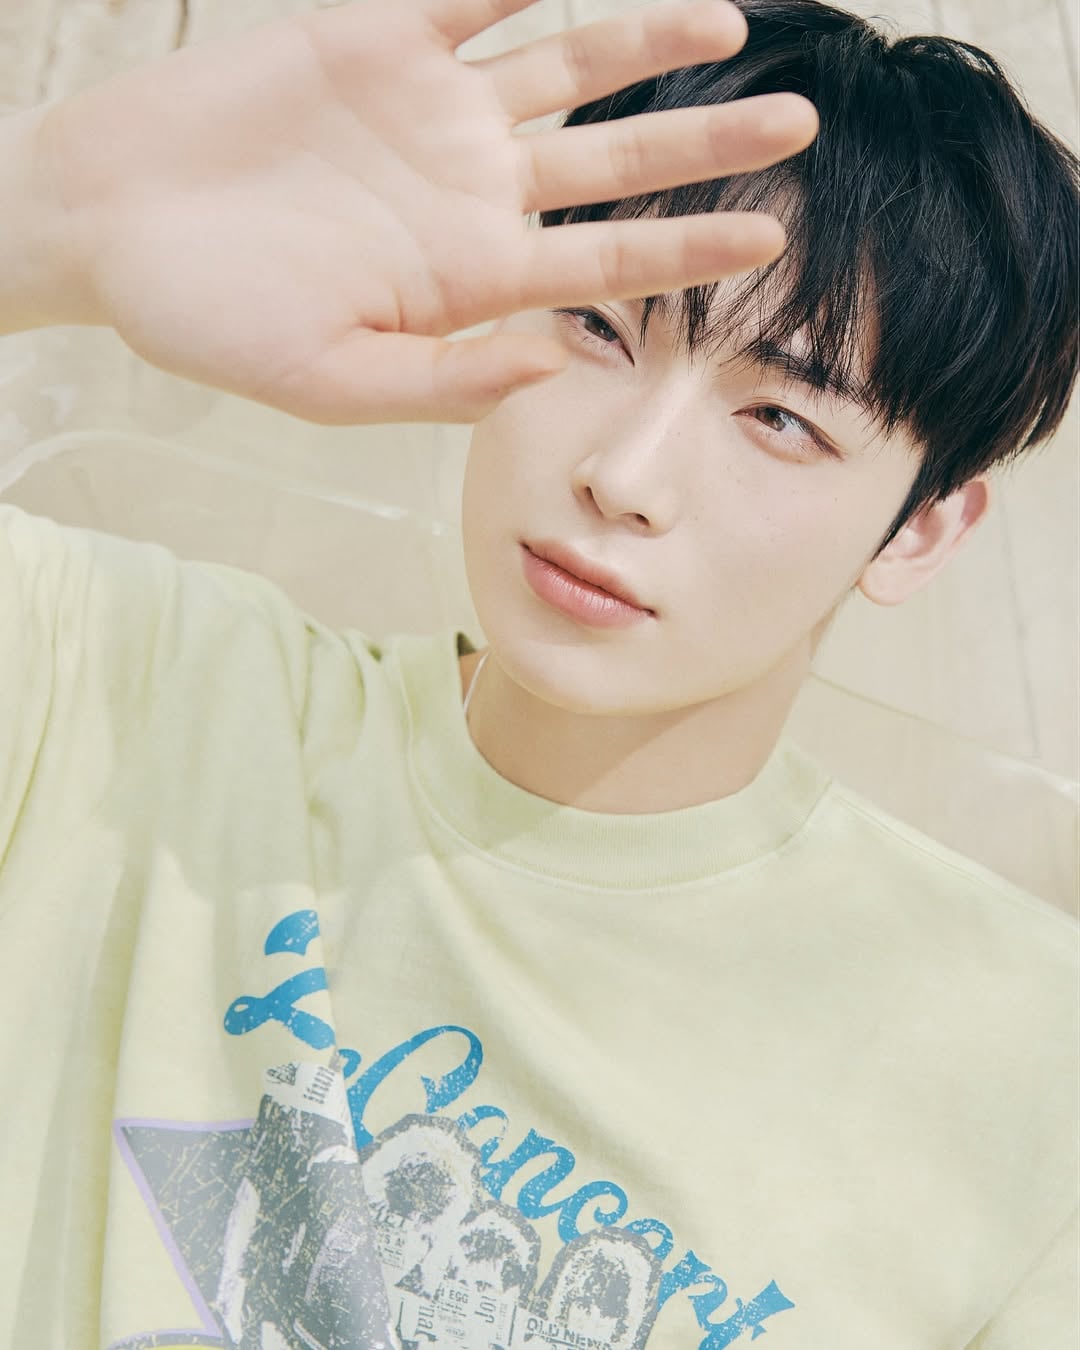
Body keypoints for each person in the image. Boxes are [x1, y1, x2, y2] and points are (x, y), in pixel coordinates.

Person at [0, 0, 1075, 1345]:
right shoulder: (121, 679)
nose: (623, 477)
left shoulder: (1035, 1071)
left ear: (919, 531)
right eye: (601, 328)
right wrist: (46, 214)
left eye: (780, 416)